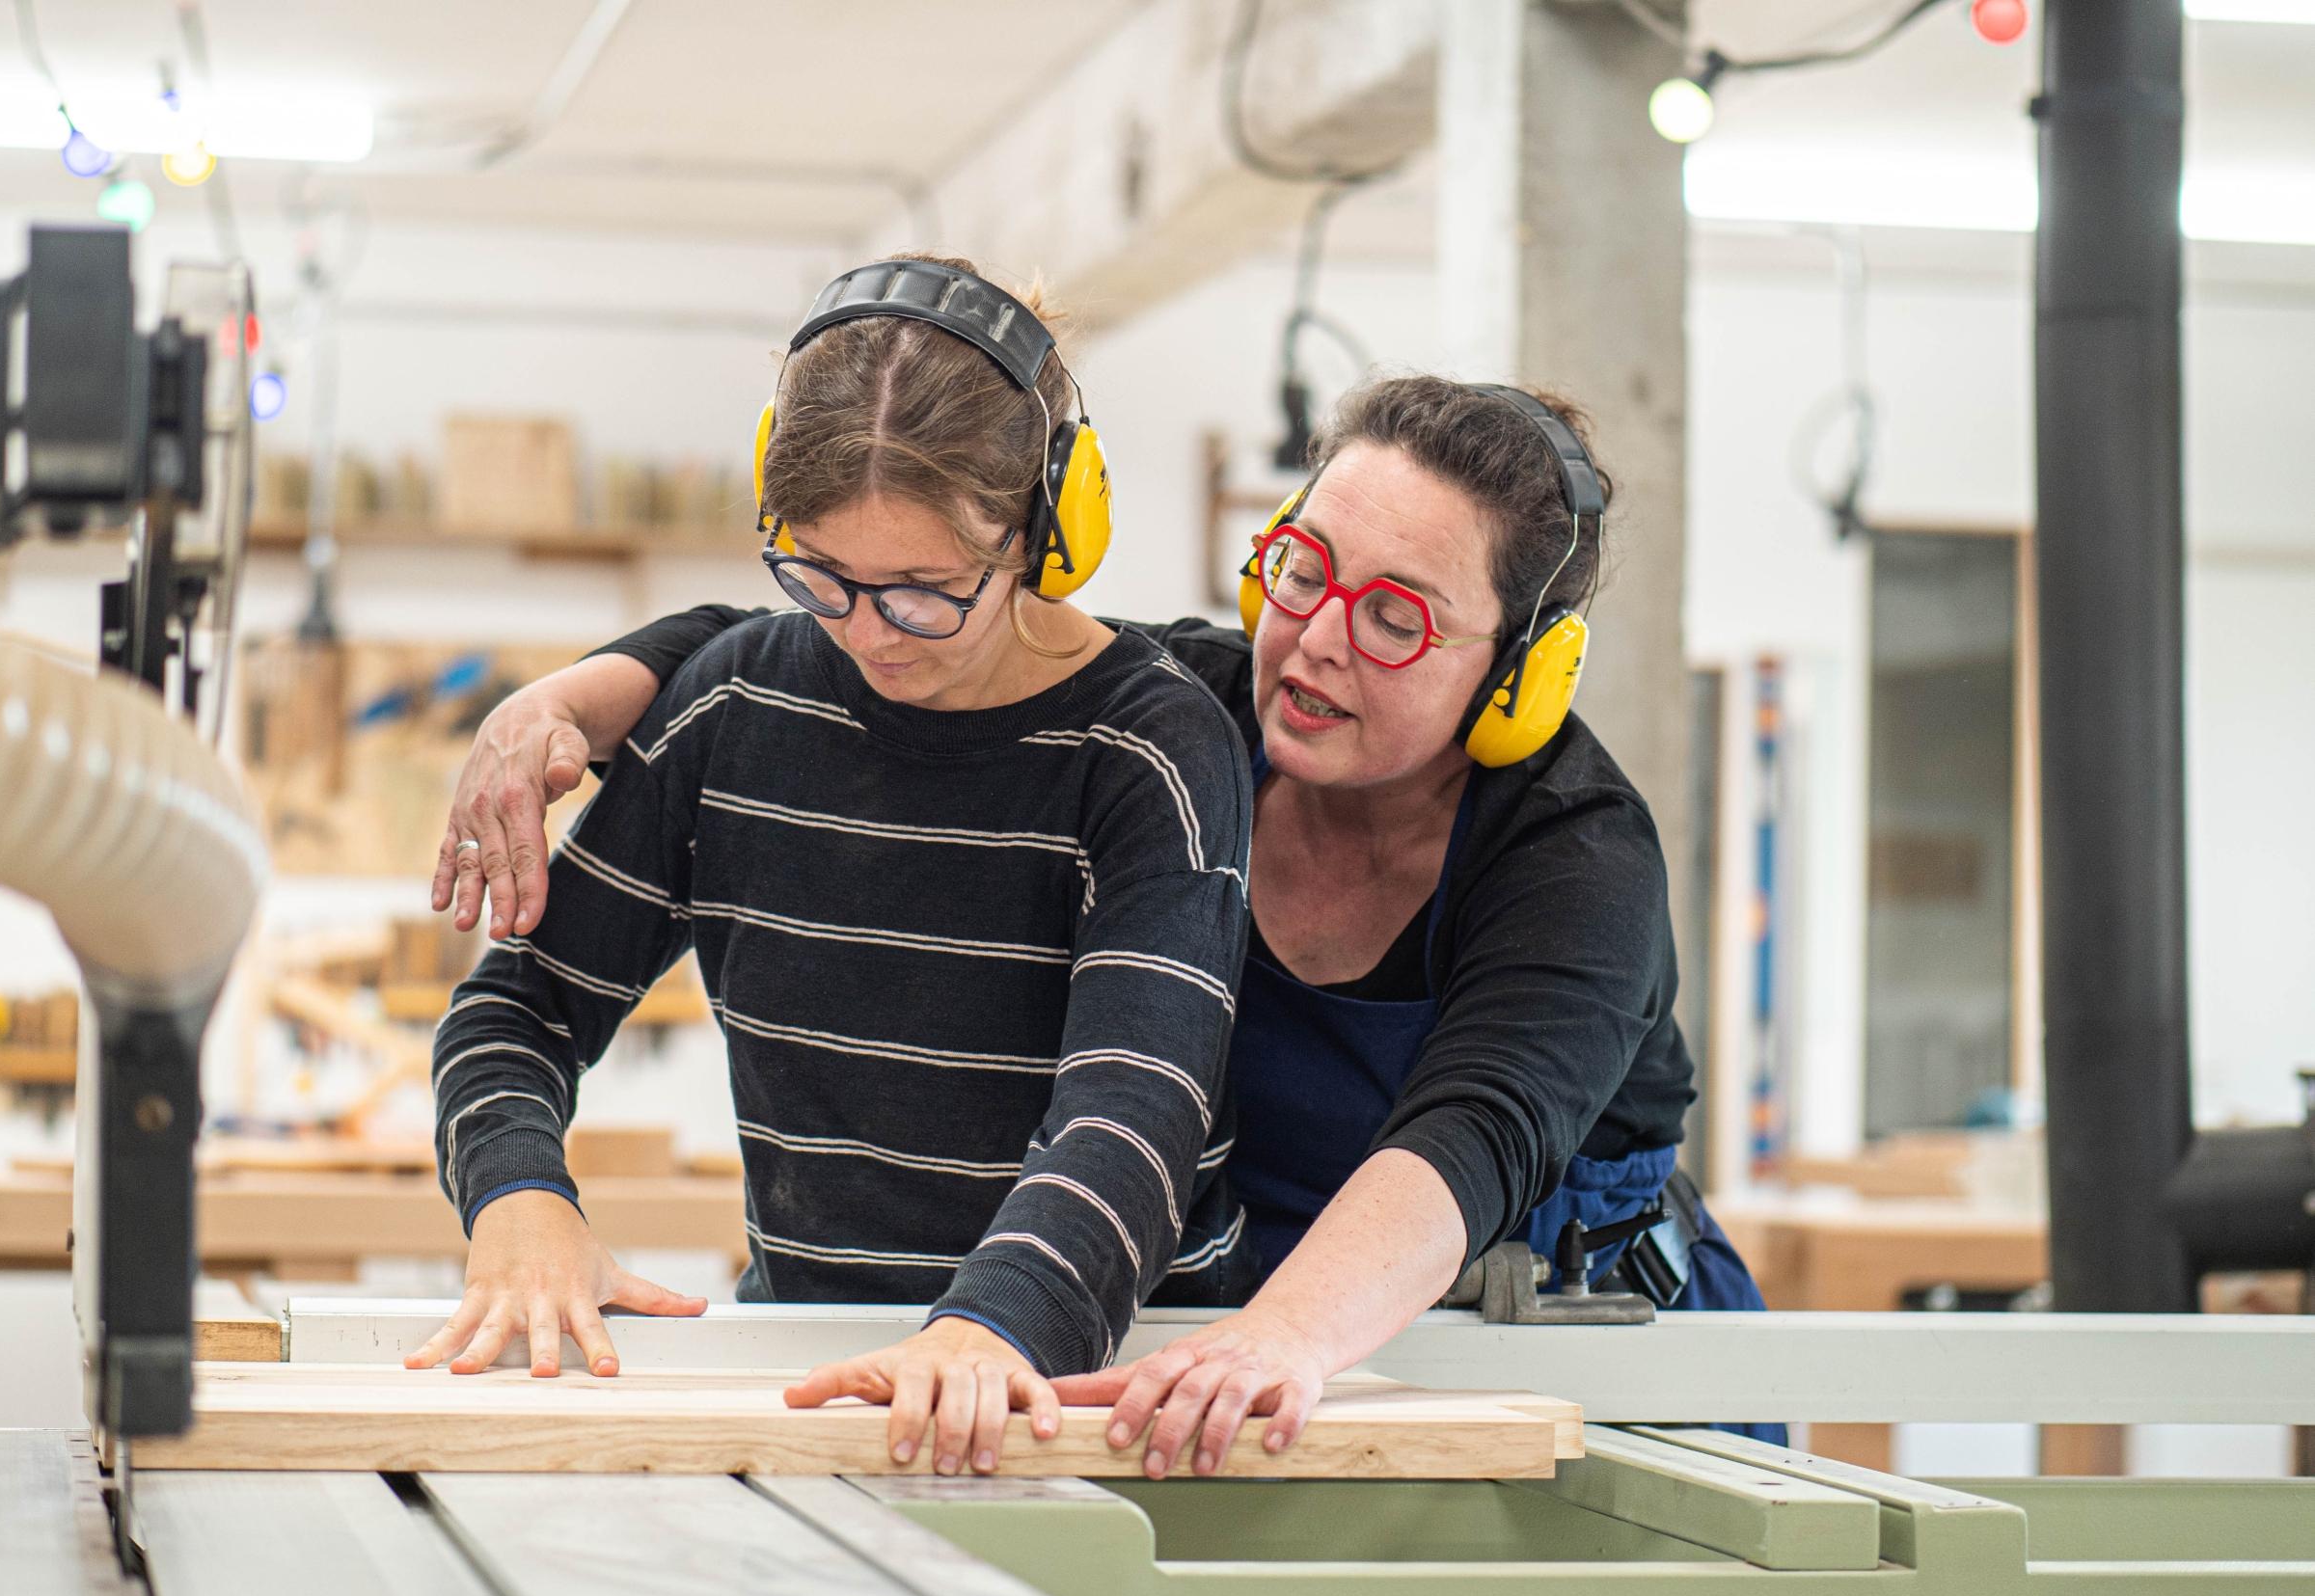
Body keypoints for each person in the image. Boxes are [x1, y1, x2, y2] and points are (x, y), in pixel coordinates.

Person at [440, 373, 1778, 1477]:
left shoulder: (1577, 856)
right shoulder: (1186, 715)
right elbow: (855, 628)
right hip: (1251, 1338)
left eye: (1394, 617)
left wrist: (1285, 1336)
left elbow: (1472, 1135)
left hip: (1563, 1348)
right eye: (1302, 568)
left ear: (1522, 666)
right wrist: (565, 696)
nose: (1313, 640)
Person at [409, 256, 1260, 1481]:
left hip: (1097, 1387)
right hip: (812, 1368)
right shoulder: (737, 707)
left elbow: (1135, 1112)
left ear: (1041, 529)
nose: (865, 633)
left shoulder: (1150, 750)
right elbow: (519, 1009)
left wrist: (990, 1323)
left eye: (923, 592)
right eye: (820, 575)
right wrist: (519, 1201)